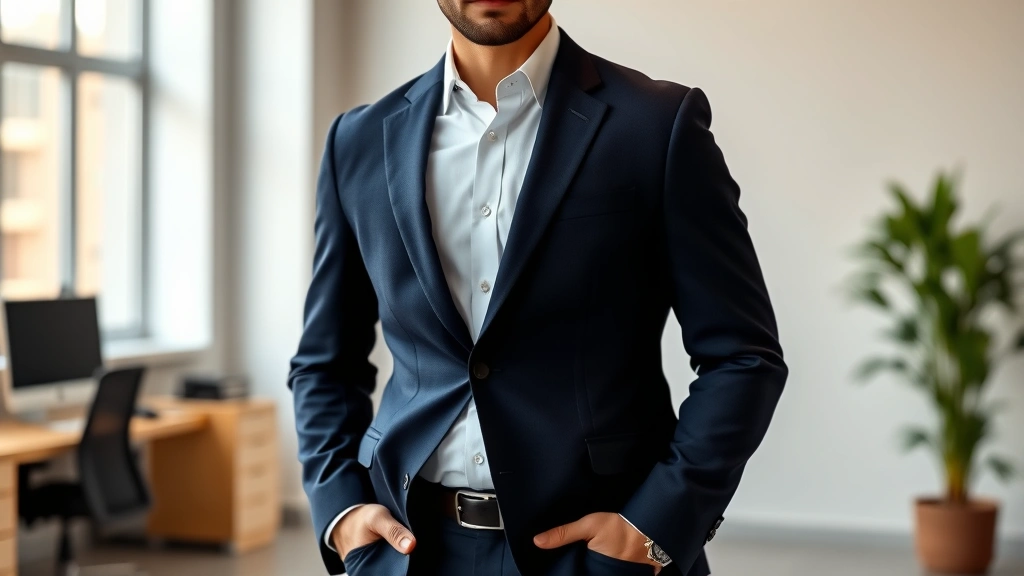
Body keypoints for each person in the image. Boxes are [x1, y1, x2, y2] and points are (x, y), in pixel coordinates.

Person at [289, 1, 787, 575]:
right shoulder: (359, 140)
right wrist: (342, 509)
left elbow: (743, 357)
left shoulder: (656, 125)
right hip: (409, 550)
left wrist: (656, 527)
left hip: (598, 555)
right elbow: (325, 362)